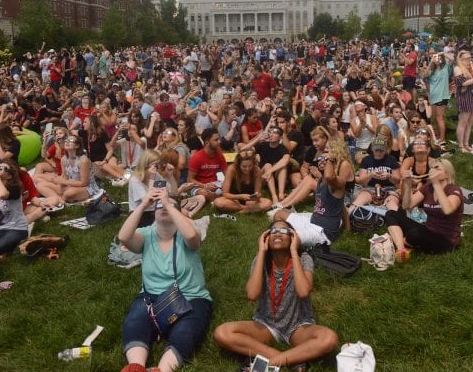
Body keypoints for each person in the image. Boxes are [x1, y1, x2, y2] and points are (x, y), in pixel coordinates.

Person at [213, 221, 338, 372]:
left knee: (329, 338)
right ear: (266, 237)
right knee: (222, 333)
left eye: (284, 231)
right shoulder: (260, 260)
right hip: (266, 324)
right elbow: (252, 294)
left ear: (293, 237)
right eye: (273, 231)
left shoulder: (304, 259)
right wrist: (261, 251)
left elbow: (304, 291)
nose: (277, 233)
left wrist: (294, 250)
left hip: (298, 326)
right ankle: (293, 359)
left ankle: (268, 361)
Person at [118, 183, 212, 372]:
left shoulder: (187, 232)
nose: (162, 208)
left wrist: (169, 204)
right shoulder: (146, 235)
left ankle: (163, 369)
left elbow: (192, 235)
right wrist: (144, 203)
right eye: (158, 206)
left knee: (186, 332)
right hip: (151, 296)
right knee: (134, 322)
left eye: (167, 206)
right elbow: (124, 236)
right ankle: (136, 367)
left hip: (191, 296)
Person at [274, 138, 352, 247]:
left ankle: (294, 242)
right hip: (312, 222)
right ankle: (292, 232)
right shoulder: (321, 179)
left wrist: (329, 160)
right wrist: (347, 227)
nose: (321, 159)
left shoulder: (336, 182)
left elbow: (330, 176)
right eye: (321, 157)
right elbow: (341, 206)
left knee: (289, 240)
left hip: (322, 233)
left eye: (325, 154)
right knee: (278, 214)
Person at [385, 159, 464, 262]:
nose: (432, 170)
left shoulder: (454, 190)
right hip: (428, 230)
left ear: (447, 175)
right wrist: (408, 184)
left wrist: (436, 184)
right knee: (391, 214)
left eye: (437, 168)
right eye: (431, 168)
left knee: (415, 234)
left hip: (446, 239)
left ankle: (397, 240)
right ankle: (401, 250)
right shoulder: (428, 188)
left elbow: (448, 210)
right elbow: (406, 206)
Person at [213, 149, 272, 213]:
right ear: (238, 165)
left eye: (250, 166)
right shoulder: (232, 170)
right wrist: (240, 196)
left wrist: (256, 196)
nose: (247, 169)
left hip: (249, 200)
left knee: (268, 203)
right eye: (244, 166)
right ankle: (246, 209)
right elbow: (225, 194)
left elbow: (258, 192)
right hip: (233, 200)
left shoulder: (256, 170)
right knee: (218, 202)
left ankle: (239, 209)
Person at [186, 128, 227, 203]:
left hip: (215, 184)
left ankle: (220, 198)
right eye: (216, 140)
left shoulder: (220, 155)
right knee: (203, 194)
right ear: (207, 143)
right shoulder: (197, 157)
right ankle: (221, 199)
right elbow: (189, 180)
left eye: (219, 139)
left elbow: (227, 174)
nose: (219, 142)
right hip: (199, 186)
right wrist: (204, 186)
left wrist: (226, 184)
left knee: (230, 187)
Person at [453, 50, 473, 152]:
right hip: (464, 97)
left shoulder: (472, 67)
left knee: (470, 122)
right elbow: (463, 83)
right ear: (460, 59)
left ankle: (466, 143)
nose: (469, 60)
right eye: (467, 58)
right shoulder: (458, 68)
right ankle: (460, 145)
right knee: (463, 121)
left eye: (470, 58)